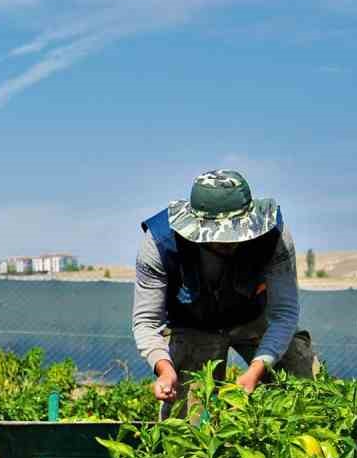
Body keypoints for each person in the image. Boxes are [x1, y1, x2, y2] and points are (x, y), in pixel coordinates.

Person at [133, 170, 317, 409]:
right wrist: (164, 369)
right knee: (187, 424)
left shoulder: (274, 237)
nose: (228, 241)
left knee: (304, 394)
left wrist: (257, 369)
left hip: (254, 318)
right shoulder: (159, 244)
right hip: (194, 326)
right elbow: (146, 322)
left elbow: (285, 314)